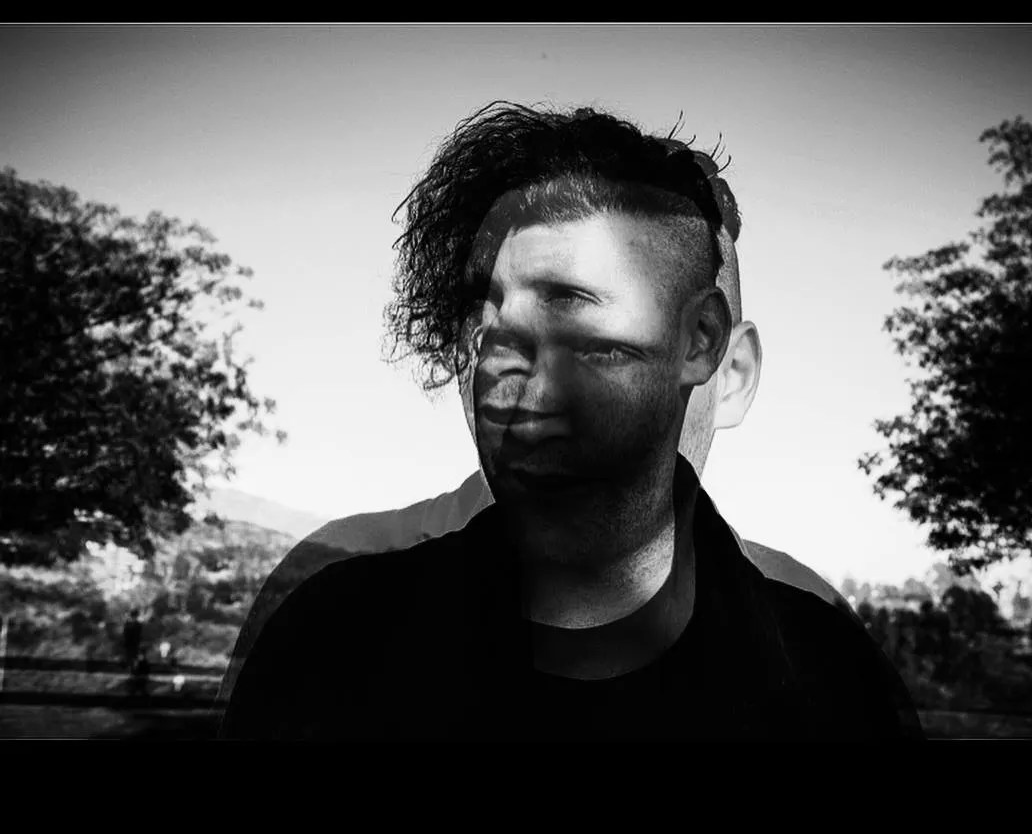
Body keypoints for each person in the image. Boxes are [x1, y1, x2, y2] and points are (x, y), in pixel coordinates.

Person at [219, 102, 923, 740]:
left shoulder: (823, 660)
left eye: (581, 320)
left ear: (718, 359)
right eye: (491, 324)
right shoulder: (334, 615)